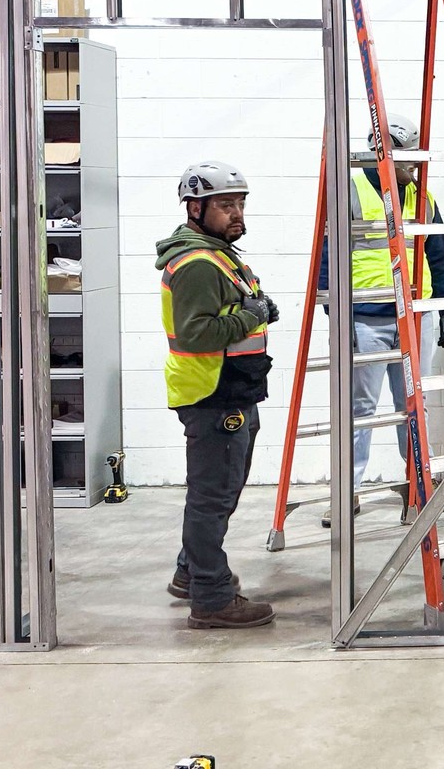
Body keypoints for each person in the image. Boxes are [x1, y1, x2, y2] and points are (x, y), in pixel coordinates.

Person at [317, 116, 444, 527]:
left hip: (415, 316)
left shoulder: (422, 197)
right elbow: (329, 252)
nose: (413, 167)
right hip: (367, 317)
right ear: (382, 150)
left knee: (415, 405)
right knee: (360, 408)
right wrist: (334, 309)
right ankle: (348, 493)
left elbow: (439, 253)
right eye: (405, 158)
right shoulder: (348, 193)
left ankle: (420, 488)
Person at [157, 161, 276, 629]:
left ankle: (191, 573)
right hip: (214, 394)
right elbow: (195, 335)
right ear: (196, 207)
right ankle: (211, 597)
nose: (237, 213)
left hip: (231, 389)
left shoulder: (219, 252)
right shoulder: (199, 262)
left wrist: (259, 308)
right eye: (226, 205)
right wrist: (252, 316)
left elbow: (235, 307)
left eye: (240, 203)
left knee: (219, 492)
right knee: (212, 497)